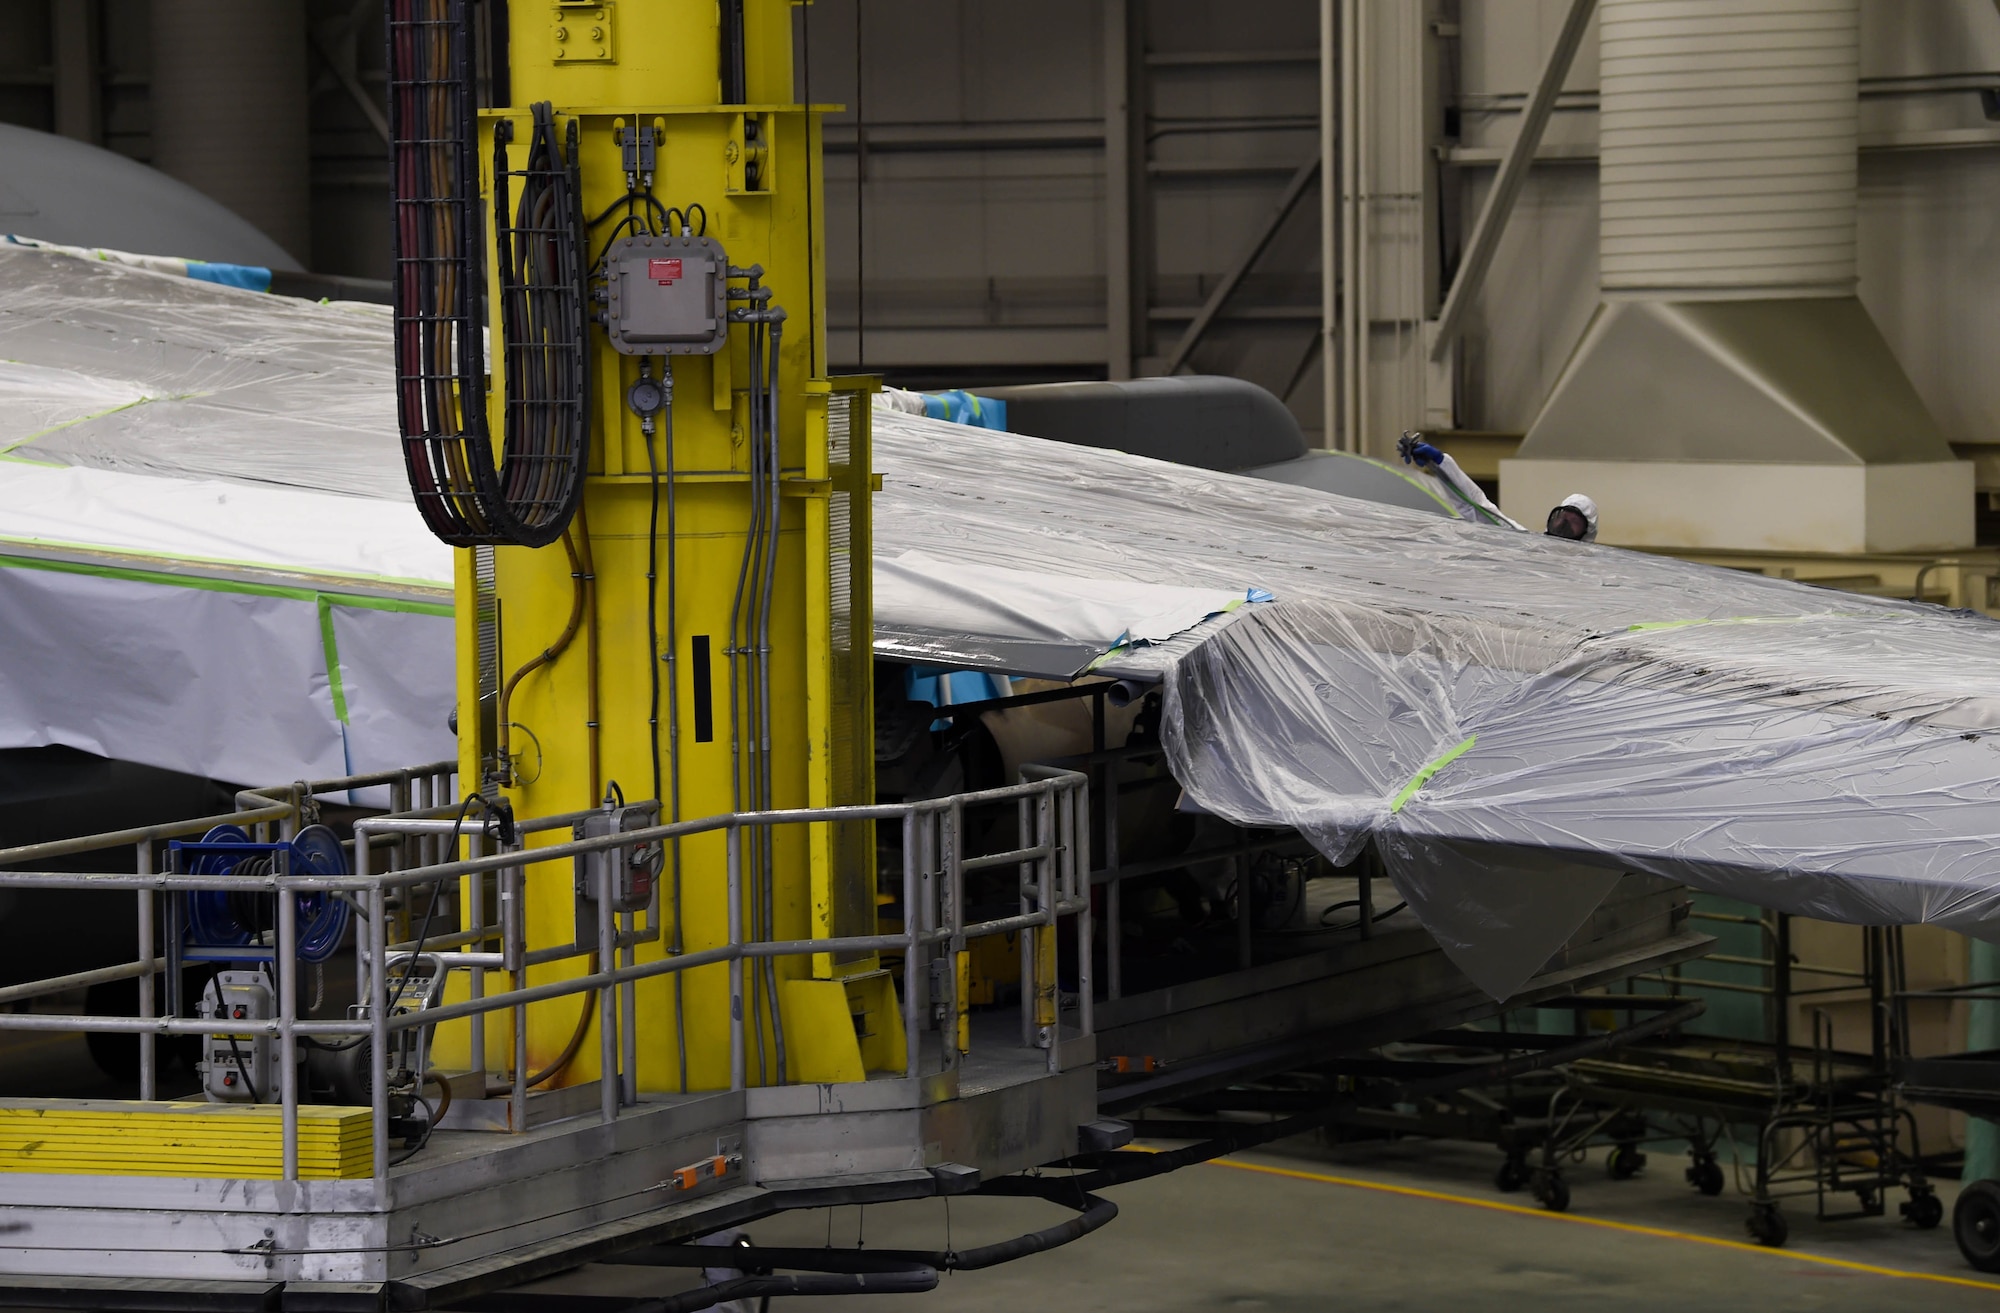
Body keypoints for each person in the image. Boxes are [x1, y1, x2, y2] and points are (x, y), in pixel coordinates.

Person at [1397, 432, 1597, 542]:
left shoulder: (1590, 573)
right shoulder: (1525, 544)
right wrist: (1440, 463)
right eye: (1562, 516)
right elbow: (1475, 505)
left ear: (1586, 533)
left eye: (1573, 522)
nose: (1564, 524)